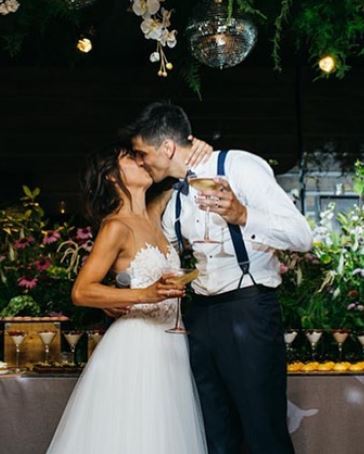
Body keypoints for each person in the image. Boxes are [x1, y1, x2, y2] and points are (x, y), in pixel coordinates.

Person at [127, 102, 313, 454]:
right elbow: (159, 250)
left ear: (167, 148)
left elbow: (301, 236)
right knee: (216, 434)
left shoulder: (240, 166)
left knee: (263, 432)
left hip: (248, 311)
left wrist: (243, 215)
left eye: (142, 153)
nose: (141, 161)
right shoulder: (174, 199)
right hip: (200, 317)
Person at [46, 138, 211, 454]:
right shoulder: (116, 226)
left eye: (141, 157)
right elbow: (81, 291)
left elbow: (184, 173)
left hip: (172, 345)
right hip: (137, 347)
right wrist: (144, 293)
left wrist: (194, 146)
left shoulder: (154, 213)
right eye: (131, 158)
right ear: (111, 175)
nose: (142, 162)